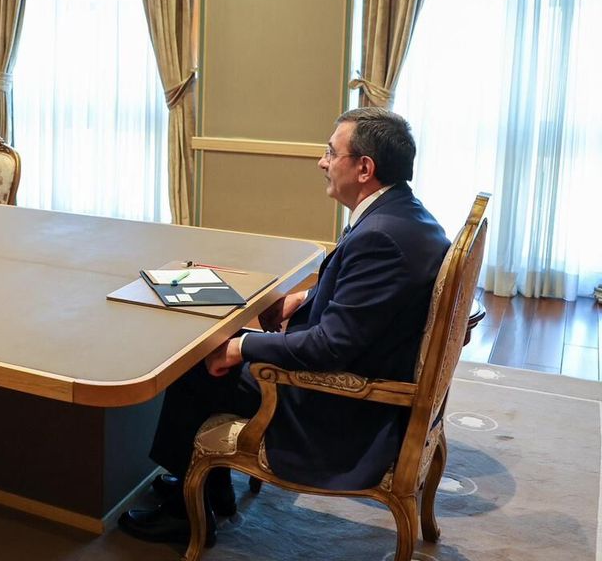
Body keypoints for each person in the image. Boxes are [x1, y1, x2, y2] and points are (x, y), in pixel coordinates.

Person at [118, 107, 451, 547]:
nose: (322, 162)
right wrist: (305, 299)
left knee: (194, 362)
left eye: (331, 152)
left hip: (339, 405)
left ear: (364, 168)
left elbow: (329, 347)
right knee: (215, 346)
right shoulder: (407, 216)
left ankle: (186, 510)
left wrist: (240, 349)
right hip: (372, 364)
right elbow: (367, 303)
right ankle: (209, 487)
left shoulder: (380, 236)